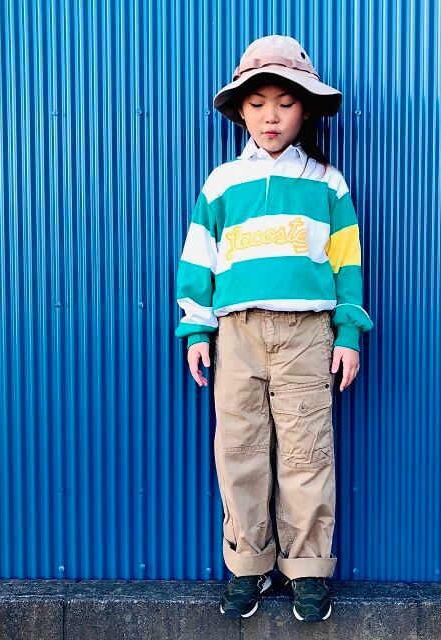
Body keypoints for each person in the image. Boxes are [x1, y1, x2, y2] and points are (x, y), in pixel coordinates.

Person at [175, 34, 373, 623]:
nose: (271, 116)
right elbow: (198, 258)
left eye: (285, 103)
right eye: (258, 103)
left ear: (305, 110)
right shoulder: (221, 183)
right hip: (235, 335)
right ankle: (248, 563)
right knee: (238, 450)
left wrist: (348, 334)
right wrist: (196, 330)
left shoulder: (328, 184)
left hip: (307, 336)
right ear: (240, 110)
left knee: (307, 453)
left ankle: (308, 569)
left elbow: (348, 264)